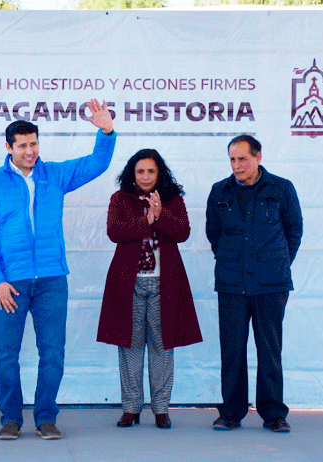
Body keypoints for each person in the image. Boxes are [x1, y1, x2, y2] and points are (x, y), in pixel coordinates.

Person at [0, 99, 116, 440]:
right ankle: (10, 418)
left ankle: (46, 417)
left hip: (52, 279)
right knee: (6, 353)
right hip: (11, 283)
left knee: (52, 352)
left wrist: (106, 131)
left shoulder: (54, 175)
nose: (30, 151)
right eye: (22, 145)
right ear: (9, 147)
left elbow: (96, 164)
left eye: (34, 143)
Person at [97, 149, 202, 430]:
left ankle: (161, 409)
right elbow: (114, 232)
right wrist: (147, 221)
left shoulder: (173, 200)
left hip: (164, 284)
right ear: (133, 173)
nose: (145, 177)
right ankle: (131, 409)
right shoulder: (119, 199)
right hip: (127, 282)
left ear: (160, 173)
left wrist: (161, 213)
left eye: (151, 171)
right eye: (140, 171)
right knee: (129, 347)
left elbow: (182, 233)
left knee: (162, 346)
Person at [206, 134, 302, 433]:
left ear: (258, 157)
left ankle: (273, 414)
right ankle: (231, 413)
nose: (237, 165)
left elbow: (293, 231)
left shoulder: (281, 188)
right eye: (232, 160)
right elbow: (214, 235)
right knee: (232, 350)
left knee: (269, 349)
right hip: (232, 284)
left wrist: (276, 265)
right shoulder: (219, 191)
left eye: (243, 159)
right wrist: (231, 262)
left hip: (271, 285)